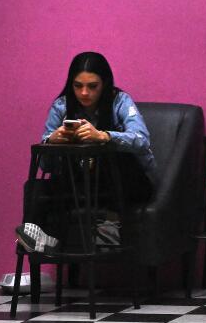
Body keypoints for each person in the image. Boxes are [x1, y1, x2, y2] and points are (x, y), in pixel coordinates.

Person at [16, 51, 154, 253]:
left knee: (113, 160)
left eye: (92, 86)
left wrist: (104, 136)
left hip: (125, 181)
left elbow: (142, 139)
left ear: (104, 84)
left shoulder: (120, 101)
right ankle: (41, 242)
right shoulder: (62, 106)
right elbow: (44, 165)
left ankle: (107, 238)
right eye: (78, 86)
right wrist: (52, 142)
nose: (84, 93)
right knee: (35, 188)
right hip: (81, 182)